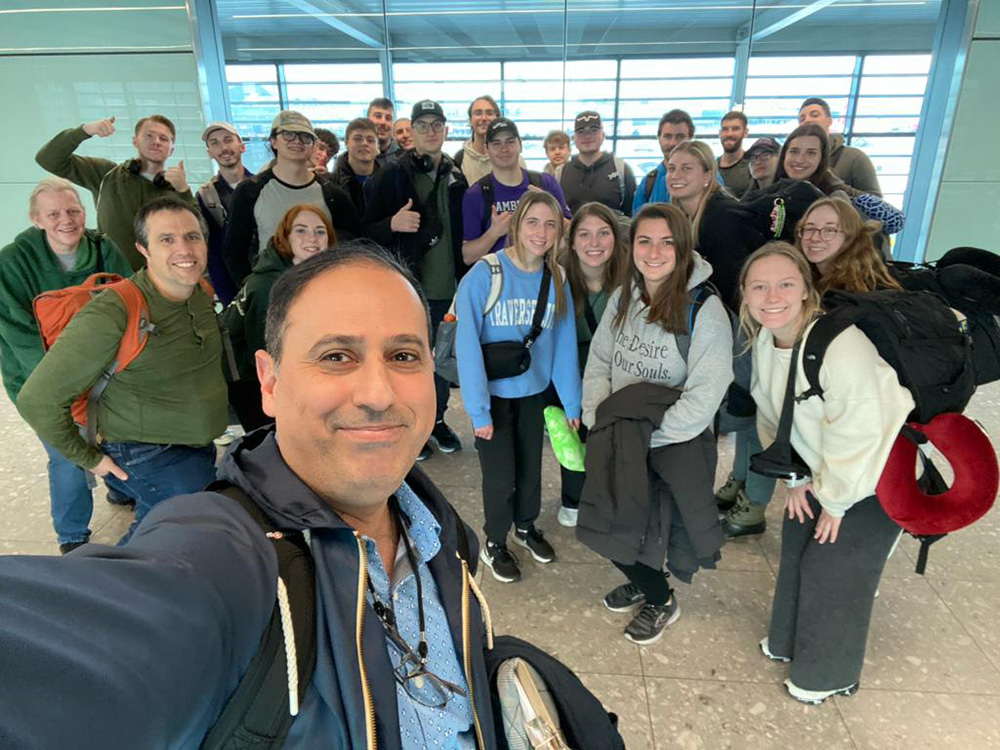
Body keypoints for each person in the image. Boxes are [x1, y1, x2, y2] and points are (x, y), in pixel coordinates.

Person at [0, 244, 496, 749]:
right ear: (270, 382)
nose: (379, 393)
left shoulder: (441, 529)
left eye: (403, 355)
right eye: (336, 356)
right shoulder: (226, 558)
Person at [740, 241, 912, 704]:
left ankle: (826, 674)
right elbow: (774, 415)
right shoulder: (765, 338)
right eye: (759, 286)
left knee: (835, 568)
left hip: (875, 475)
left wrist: (834, 500)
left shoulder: (840, 345)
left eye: (785, 284)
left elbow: (859, 432)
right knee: (797, 544)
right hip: (820, 466)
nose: (771, 296)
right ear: (745, 294)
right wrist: (795, 478)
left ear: (804, 291)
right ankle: (787, 642)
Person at [17, 197, 228, 544]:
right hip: (147, 451)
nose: (184, 249)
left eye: (192, 236)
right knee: (162, 543)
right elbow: (36, 400)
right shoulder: (114, 311)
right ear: (142, 249)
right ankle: (102, 589)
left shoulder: (199, 293)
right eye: (166, 239)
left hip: (195, 445)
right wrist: (90, 459)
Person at [579, 202, 731, 645]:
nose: (654, 251)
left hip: (670, 443)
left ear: (683, 248)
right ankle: (648, 582)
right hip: (619, 435)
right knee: (613, 522)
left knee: (646, 532)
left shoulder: (705, 310)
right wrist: (597, 416)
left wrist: (645, 438)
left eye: (667, 242)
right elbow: (601, 360)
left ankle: (660, 598)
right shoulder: (626, 294)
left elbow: (704, 396)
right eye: (644, 241)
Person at [0, 178, 133, 553]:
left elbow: (130, 295)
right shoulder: (12, 262)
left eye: (73, 211)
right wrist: (61, 388)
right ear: (36, 219)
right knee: (67, 453)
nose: (66, 220)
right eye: (54, 214)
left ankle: (120, 489)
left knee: (116, 433)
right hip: (40, 376)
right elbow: (17, 333)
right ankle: (72, 537)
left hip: (103, 370)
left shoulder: (104, 249)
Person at [454, 191, 581, 583]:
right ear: (516, 225)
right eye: (532, 222)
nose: (541, 233)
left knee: (530, 469)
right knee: (500, 476)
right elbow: (467, 345)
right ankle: (495, 541)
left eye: (550, 224)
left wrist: (572, 405)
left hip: (533, 393)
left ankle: (525, 527)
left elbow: (562, 342)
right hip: (493, 398)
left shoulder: (555, 277)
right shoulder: (486, 274)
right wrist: (477, 410)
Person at [364, 99, 468, 462]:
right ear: (411, 132)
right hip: (406, 288)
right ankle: (410, 426)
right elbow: (363, 233)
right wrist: (390, 225)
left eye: (436, 125)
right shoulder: (392, 173)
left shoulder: (456, 174)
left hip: (447, 288)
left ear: (446, 129)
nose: (430, 132)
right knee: (406, 361)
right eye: (422, 126)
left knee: (440, 361)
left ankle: (436, 420)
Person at [223, 204, 337, 432]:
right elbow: (265, 352)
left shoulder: (309, 273)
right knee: (270, 437)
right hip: (248, 375)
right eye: (301, 230)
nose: (312, 238)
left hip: (274, 363)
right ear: (285, 237)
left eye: (320, 231)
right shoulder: (269, 286)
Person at [36, 113, 197, 270]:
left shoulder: (176, 191)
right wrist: (85, 130)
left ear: (172, 149)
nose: (156, 142)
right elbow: (48, 159)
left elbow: (199, 236)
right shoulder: (106, 174)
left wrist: (184, 191)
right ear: (135, 141)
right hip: (113, 282)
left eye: (163, 138)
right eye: (149, 135)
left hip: (164, 284)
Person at [222, 110, 360, 285]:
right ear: (273, 141)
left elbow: (353, 246)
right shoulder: (250, 191)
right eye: (288, 134)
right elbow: (234, 251)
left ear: (312, 144)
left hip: (319, 290)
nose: (297, 141)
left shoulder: (333, 195)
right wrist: (252, 292)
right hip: (271, 292)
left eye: (305, 137)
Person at [555, 202, 627, 528]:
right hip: (571, 376)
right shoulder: (556, 278)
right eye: (584, 234)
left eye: (602, 233)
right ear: (571, 242)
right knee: (572, 437)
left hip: (619, 377)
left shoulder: (633, 279)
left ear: (615, 237)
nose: (593, 243)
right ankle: (573, 497)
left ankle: (611, 494)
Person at [667, 139, 763, 310]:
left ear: (708, 176)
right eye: (671, 168)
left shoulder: (723, 217)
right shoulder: (686, 216)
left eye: (686, 168)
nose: (675, 175)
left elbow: (730, 287)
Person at [461, 117, 570, 264]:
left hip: (543, 276)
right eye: (496, 143)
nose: (504, 149)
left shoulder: (545, 183)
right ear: (486, 149)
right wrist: (494, 233)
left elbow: (572, 233)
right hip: (499, 281)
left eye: (510, 142)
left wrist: (550, 207)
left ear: (520, 145)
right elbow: (467, 257)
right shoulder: (476, 195)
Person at [798, 196, 902, 296]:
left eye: (829, 230)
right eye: (809, 229)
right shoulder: (803, 275)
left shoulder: (861, 289)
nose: (815, 238)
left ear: (850, 236)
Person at [198, 121, 253, 305]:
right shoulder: (206, 196)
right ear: (209, 153)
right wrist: (226, 297)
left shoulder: (262, 186)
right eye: (215, 143)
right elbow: (211, 251)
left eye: (228, 140)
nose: (223, 147)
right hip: (231, 288)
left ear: (242, 146)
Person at [798, 97, 882, 195]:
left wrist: (837, 187)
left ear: (829, 121)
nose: (807, 120)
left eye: (814, 115)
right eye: (802, 119)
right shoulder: (794, 160)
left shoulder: (854, 157)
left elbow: (876, 202)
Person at [561, 111, 636, 216]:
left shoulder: (621, 170)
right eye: (581, 132)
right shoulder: (561, 173)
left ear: (603, 135)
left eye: (593, 130)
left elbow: (631, 214)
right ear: (574, 138)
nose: (587, 136)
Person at [632, 109, 694, 212]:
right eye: (668, 137)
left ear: (691, 138)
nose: (673, 143)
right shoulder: (648, 183)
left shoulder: (707, 178)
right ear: (659, 139)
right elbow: (637, 223)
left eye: (680, 137)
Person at [330, 117, 380, 216]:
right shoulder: (331, 184)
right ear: (346, 143)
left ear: (377, 146)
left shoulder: (387, 182)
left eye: (370, 140)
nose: (365, 143)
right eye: (357, 139)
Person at [717, 111, 752, 199]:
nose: (729, 134)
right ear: (720, 133)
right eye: (725, 129)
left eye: (735, 129)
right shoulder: (710, 167)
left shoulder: (752, 167)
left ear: (745, 133)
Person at [368, 97, 401, 166]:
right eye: (378, 116)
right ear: (368, 120)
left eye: (388, 118)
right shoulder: (353, 158)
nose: (383, 122)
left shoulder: (403, 156)